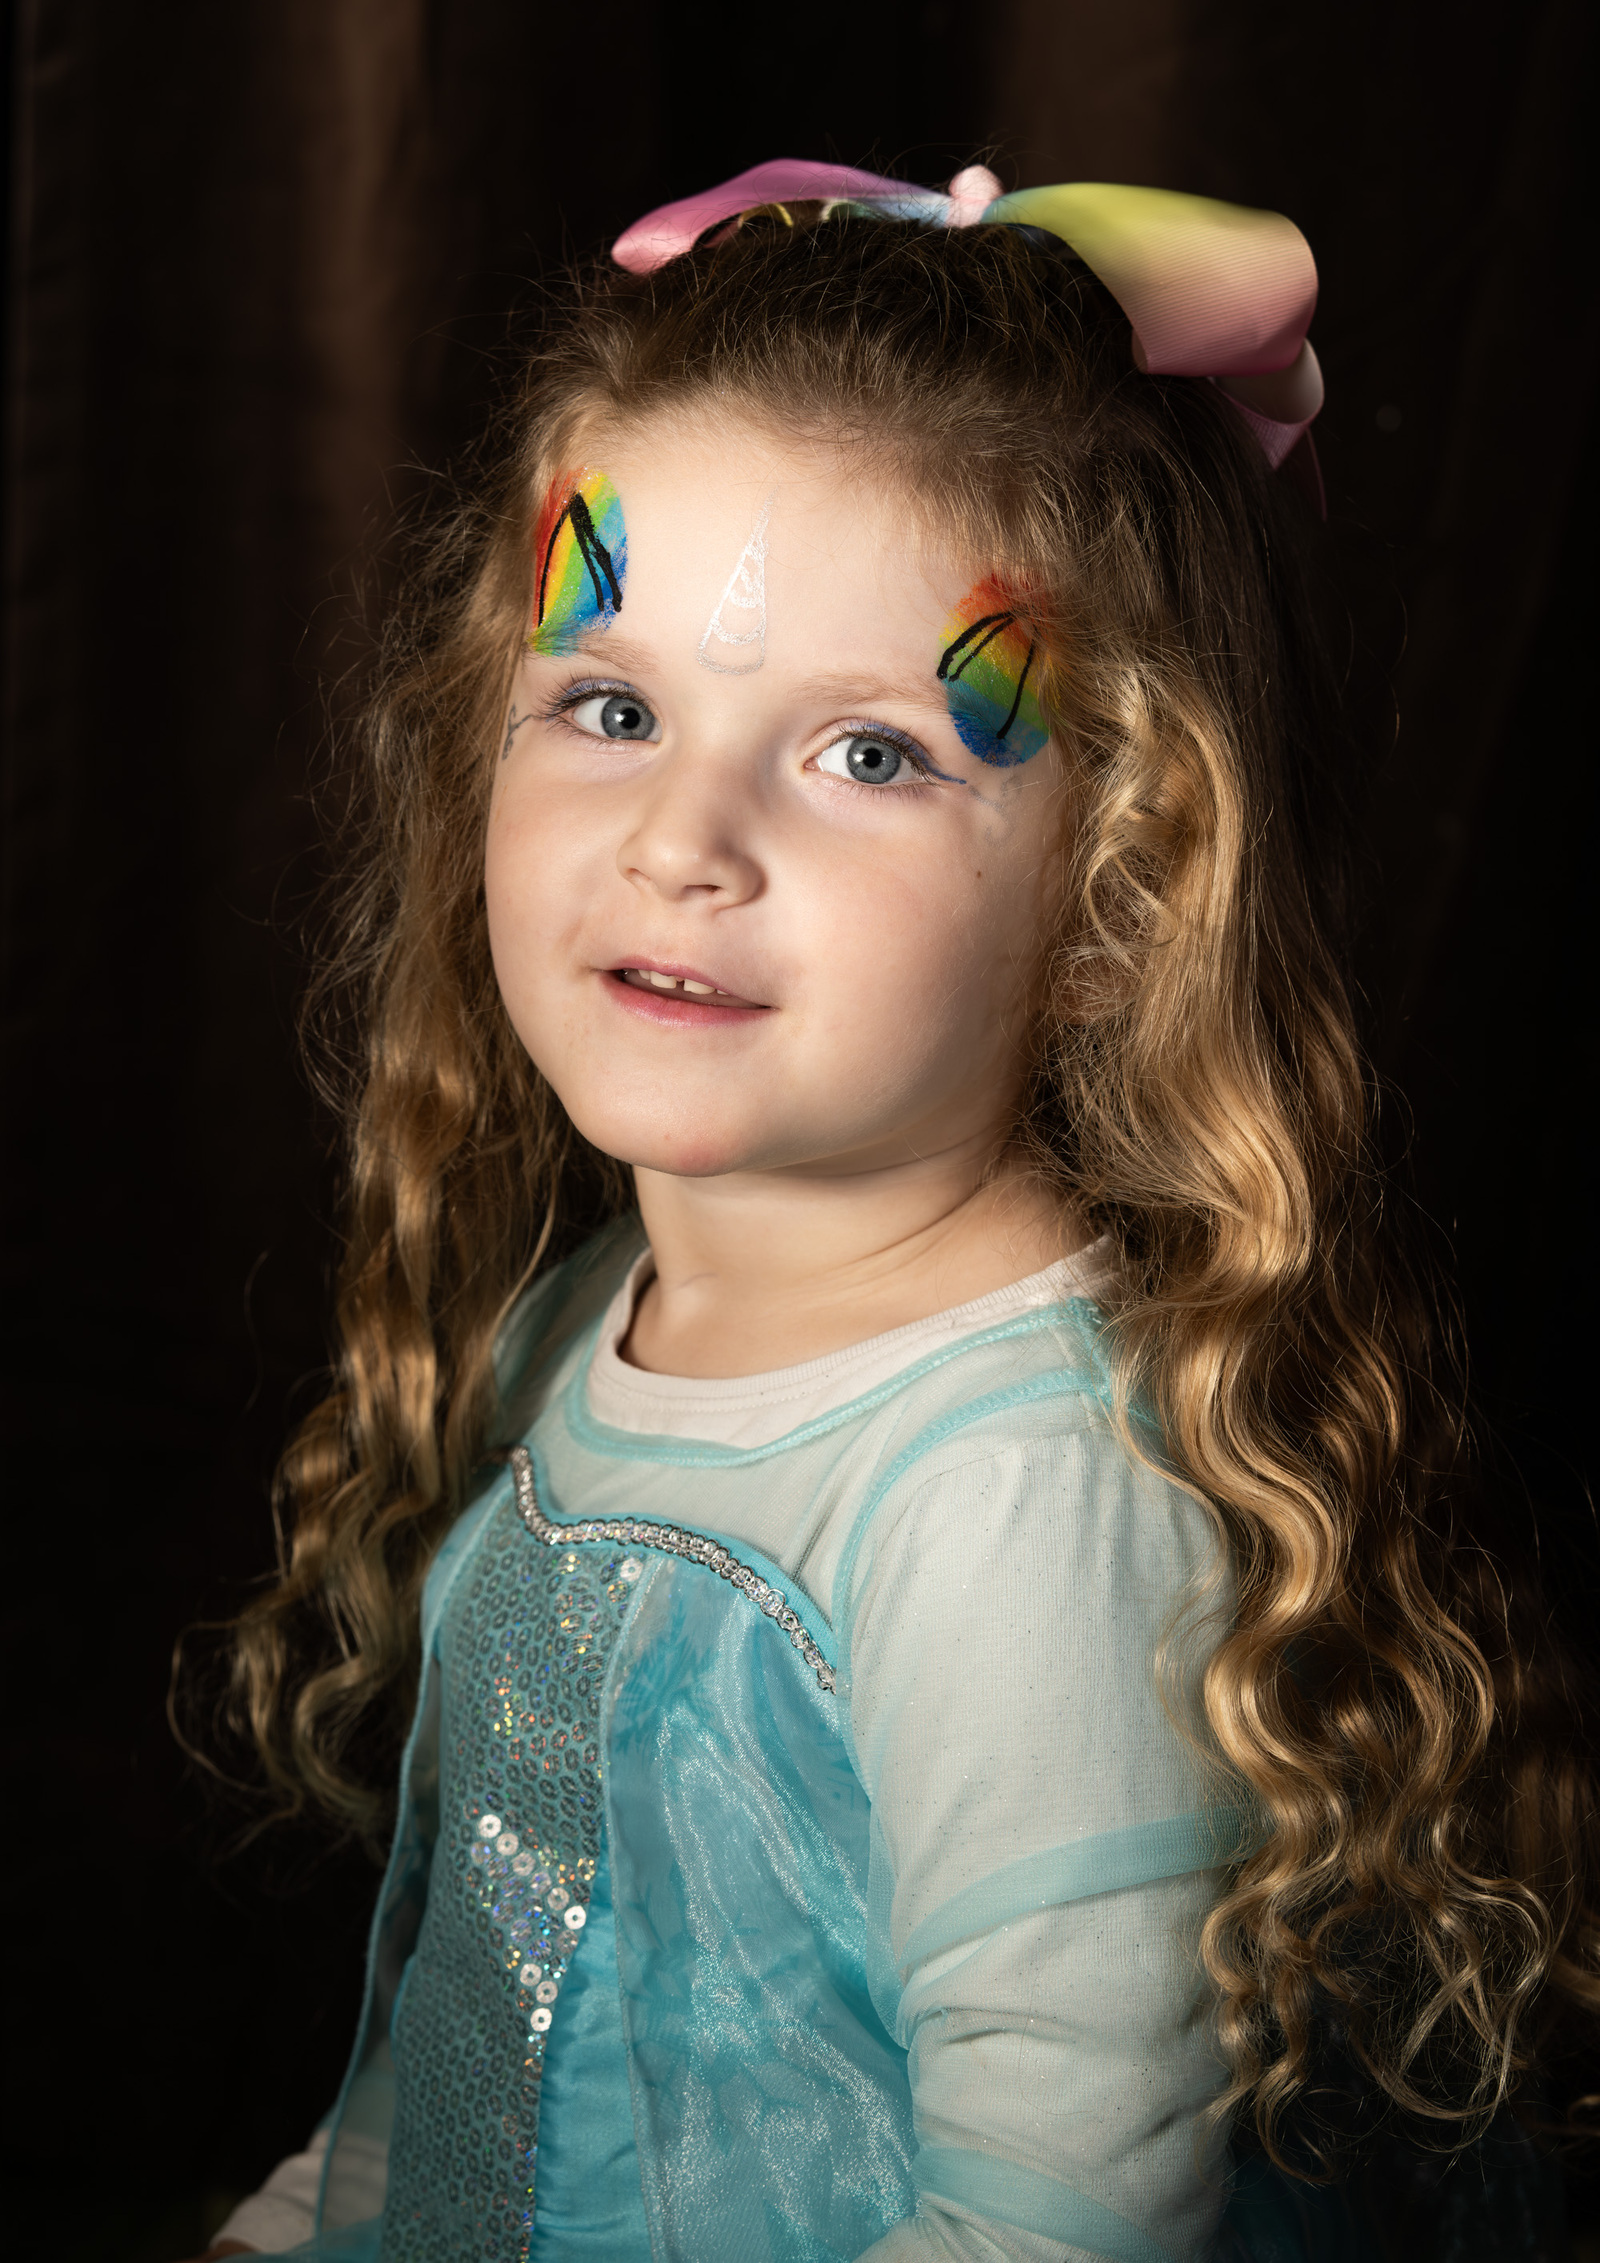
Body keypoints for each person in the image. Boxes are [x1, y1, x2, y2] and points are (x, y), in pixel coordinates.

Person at [185, 161, 1597, 2263]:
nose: (683, 837)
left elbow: (1050, 2226)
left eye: (867, 753)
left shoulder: (1010, 1502)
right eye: (610, 706)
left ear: (1117, 898)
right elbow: (495, 2010)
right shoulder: (587, 1323)